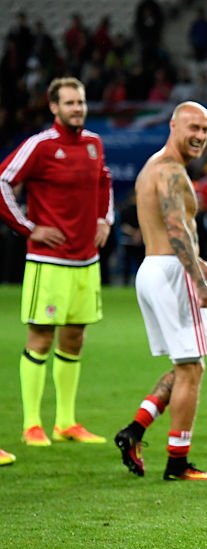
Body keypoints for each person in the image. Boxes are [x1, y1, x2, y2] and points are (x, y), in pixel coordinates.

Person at [0, 76, 112, 447]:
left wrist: (104, 219)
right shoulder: (40, 145)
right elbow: (3, 181)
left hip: (85, 261)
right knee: (40, 337)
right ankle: (32, 424)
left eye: (80, 102)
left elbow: (104, 182)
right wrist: (29, 227)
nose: (77, 108)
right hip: (49, 262)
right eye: (69, 103)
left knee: (75, 337)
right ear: (54, 107)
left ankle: (66, 422)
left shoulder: (95, 144)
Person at [114, 102, 207, 481]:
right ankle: (178, 463)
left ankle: (135, 430)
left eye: (205, 130)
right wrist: (199, 279)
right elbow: (176, 227)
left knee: (184, 366)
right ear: (173, 124)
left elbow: (171, 229)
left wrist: (198, 261)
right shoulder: (173, 172)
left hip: (153, 268)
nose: (199, 136)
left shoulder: (153, 166)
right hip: (173, 272)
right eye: (193, 127)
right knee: (192, 370)